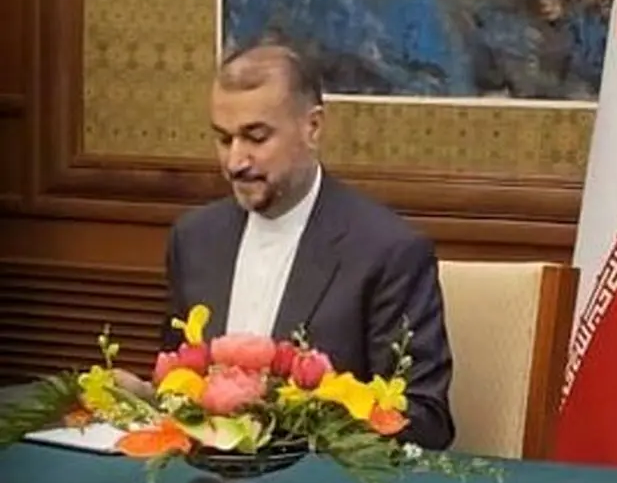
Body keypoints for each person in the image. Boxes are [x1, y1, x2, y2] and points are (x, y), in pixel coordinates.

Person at [160, 41, 454, 450]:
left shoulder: (388, 252)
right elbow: (179, 382)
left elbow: (424, 420)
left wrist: (300, 422)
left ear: (312, 128)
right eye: (224, 140)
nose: (235, 162)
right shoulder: (194, 239)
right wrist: (143, 397)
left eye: (256, 138)